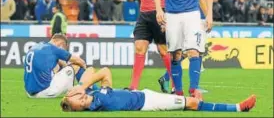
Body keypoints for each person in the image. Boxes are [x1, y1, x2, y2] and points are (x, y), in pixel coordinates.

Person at [60, 67, 256, 112]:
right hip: (148, 103)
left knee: (191, 102)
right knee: (194, 104)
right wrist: (81, 88)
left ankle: (191, 96)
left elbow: (100, 71)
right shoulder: (97, 103)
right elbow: (103, 72)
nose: (82, 100)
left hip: (143, 94)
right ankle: (239, 108)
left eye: (79, 98)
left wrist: (81, 88)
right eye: (78, 103)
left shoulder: (94, 95)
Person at [128, 0, 172, 90]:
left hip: (160, 14)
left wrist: (168, 16)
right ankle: (133, 87)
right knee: (139, 48)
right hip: (144, 15)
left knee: (163, 50)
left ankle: (176, 86)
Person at [24, 34, 86, 98]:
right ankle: (88, 90)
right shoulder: (54, 49)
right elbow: (81, 62)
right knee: (75, 67)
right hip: (44, 92)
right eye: (64, 49)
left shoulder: (36, 46)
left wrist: (63, 65)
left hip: (29, 93)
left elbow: (58, 63)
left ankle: (70, 88)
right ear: (61, 44)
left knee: (59, 65)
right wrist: (85, 70)